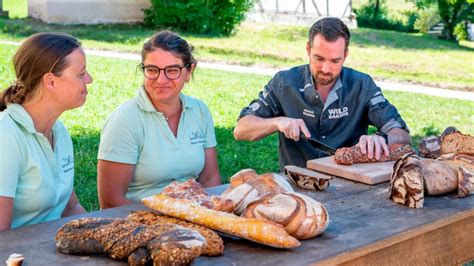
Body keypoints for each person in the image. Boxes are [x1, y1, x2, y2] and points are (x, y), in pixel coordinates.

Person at [234, 17, 411, 170]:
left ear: (346, 55)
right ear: (308, 50)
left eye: (335, 61)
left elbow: (402, 136)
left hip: (350, 185)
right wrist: (279, 122)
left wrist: (381, 139)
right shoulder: (284, 83)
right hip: (296, 186)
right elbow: (241, 129)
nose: (326, 69)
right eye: (319, 59)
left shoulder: (362, 85)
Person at [97, 30, 221, 209]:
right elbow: (111, 202)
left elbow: (210, 179)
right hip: (139, 223)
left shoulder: (199, 111)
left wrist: (212, 215)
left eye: (172, 70)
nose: (160, 80)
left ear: (189, 71)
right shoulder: (124, 120)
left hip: (194, 215)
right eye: (152, 70)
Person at [0, 33, 91, 231]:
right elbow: (1, 235)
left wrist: (104, 234)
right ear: (50, 81)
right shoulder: (6, 136)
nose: (89, 79)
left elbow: (70, 207)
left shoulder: (59, 131)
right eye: (81, 73)